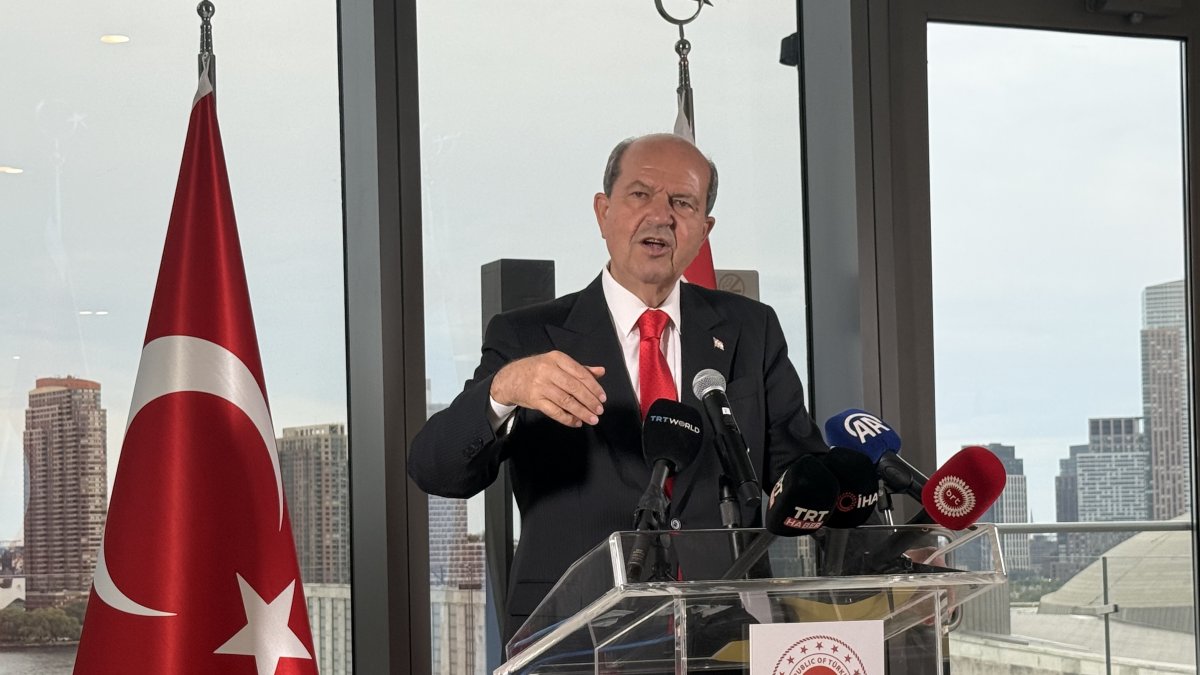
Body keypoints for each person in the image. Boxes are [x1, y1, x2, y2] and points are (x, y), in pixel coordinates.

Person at [407, 133, 829, 643]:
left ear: (703, 228)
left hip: (723, 637)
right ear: (603, 212)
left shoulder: (749, 330)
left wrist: (881, 533)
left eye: (682, 202)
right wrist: (505, 387)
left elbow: (800, 474)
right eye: (640, 194)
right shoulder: (528, 335)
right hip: (572, 638)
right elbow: (435, 468)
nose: (661, 215)